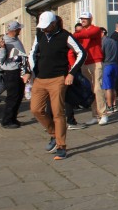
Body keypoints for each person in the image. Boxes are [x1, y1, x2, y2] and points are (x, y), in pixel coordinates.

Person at [29, 11, 85, 160]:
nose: (44, 29)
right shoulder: (40, 34)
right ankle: (54, 134)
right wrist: (30, 72)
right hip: (40, 79)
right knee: (36, 109)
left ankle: (61, 145)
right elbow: (32, 52)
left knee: (57, 112)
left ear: (54, 24)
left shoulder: (65, 35)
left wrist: (72, 73)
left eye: (47, 26)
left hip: (58, 79)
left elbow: (81, 52)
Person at [74, 12, 108, 126]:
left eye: (85, 18)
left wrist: (73, 35)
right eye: (82, 18)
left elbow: (86, 35)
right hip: (85, 62)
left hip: (96, 61)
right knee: (90, 89)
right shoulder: (81, 32)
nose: (83, 20)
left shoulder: (96, 29)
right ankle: (95, 115)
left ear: (90, 19)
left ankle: (103, 114)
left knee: (97, 88)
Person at [0, 21, 30, 128]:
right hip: (11, 72)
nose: (20, 30)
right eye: (19, 29)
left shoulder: (16, 39)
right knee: (12, 97)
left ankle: (13, 119)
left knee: (19, 96)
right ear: (14, 30)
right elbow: (1, 59)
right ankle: (6, 121)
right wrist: (2, 48)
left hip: (19, 71)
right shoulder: (5, 41)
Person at [101, 27, 118, 113]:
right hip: (115, 65)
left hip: (107, 65)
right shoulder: (114, 41)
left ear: (102, 33)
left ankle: (109, 106)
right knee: (113, 87)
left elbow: (101, 55)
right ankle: (114, 105)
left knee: (107, 88)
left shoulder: (103, 42)